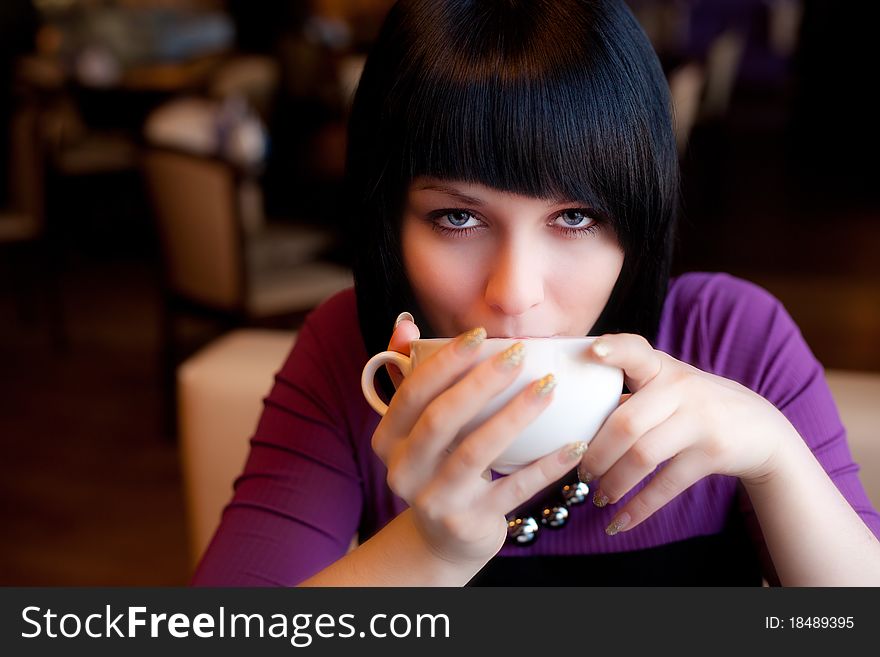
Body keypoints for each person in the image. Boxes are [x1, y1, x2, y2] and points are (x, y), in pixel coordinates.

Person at [190, 0, 880, 586]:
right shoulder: (349, 356)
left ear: (637, 220)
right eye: (457, 217)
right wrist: (427, 551)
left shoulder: (732, 339)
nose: (514, 293)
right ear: (388, 222)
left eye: (574, 217)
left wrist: (777, 459)